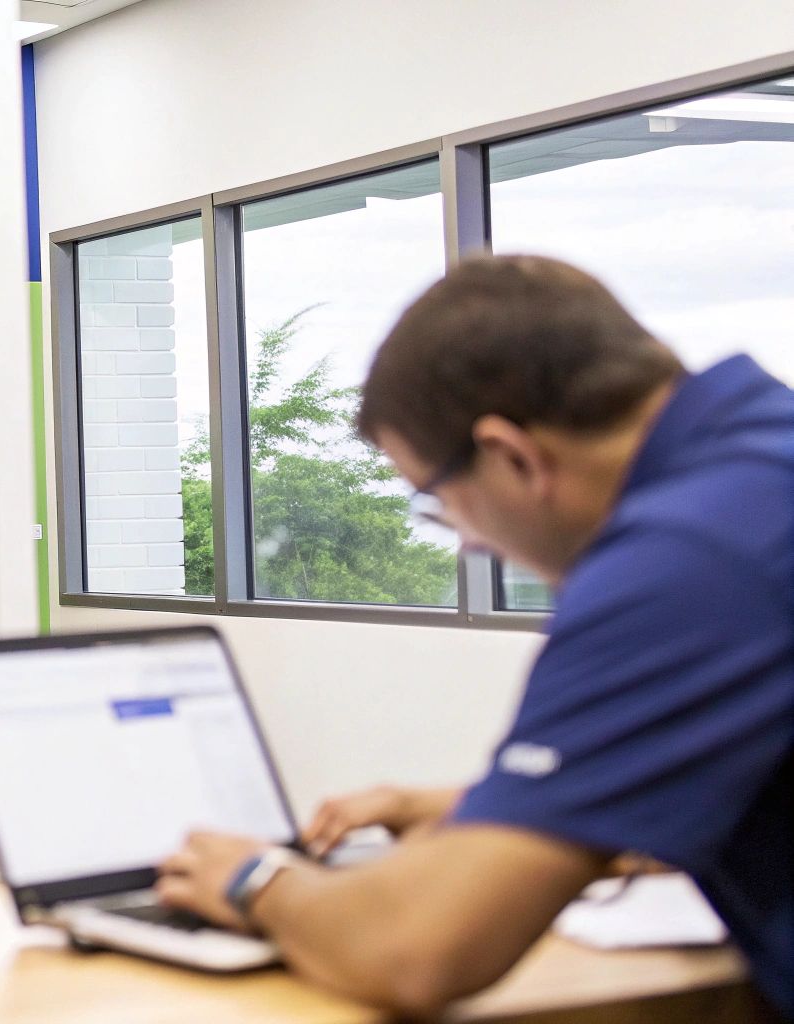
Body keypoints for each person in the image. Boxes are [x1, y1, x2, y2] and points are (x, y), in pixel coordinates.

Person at [153, 255, 793, 1018]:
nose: (464, 544)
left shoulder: (685, 562)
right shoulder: (763, 457)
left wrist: (255, 879)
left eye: (439, 501)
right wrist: (484, 809)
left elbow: (420, 950)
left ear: (512, 455)